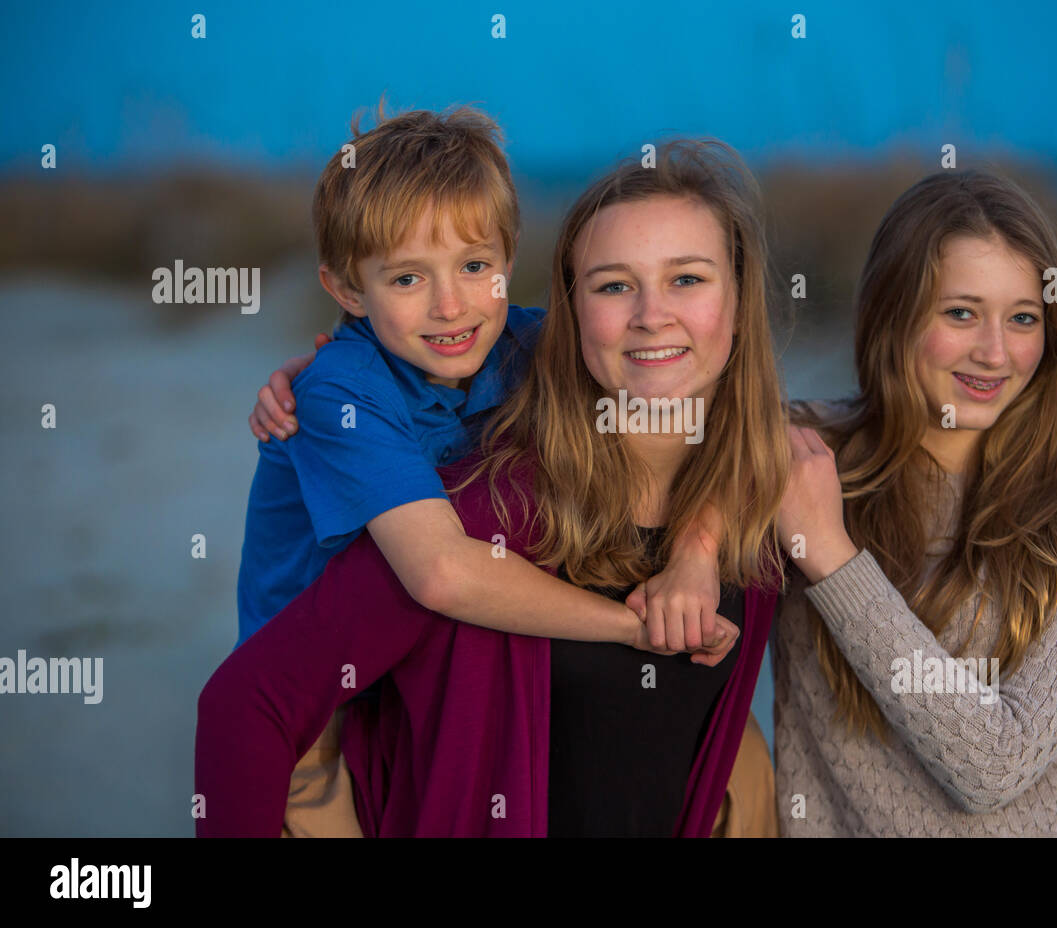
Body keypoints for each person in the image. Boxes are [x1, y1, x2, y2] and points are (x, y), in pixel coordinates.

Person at [197, 139, 789, 837]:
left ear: (508, 265)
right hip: (321, 715)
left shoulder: (525, 346)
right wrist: (634, 627)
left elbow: (740, 416)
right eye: (408, 279)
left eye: (475, 266)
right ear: (349, 292)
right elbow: (442, 572)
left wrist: (696, 550)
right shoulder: (340, 396)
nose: (451, 307)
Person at [772, 170, 1057, 836]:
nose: (996, 352)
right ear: (894, 315)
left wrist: (829, 555)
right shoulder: (801, 459)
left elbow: (994, 769)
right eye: (961, 313)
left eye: (1023, 318)